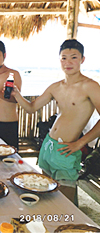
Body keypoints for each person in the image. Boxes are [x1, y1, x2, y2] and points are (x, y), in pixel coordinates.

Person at [12, 39, 100, 204]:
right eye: (64, 58)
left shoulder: (90, 86)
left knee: (66, 201)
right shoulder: (56, 87)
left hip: (67, 149)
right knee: (46, 195)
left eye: (73, 57)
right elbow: (31, 108)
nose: (68, 62)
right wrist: (17, 95)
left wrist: (80, 143)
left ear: (82, 59)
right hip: (48, 146)